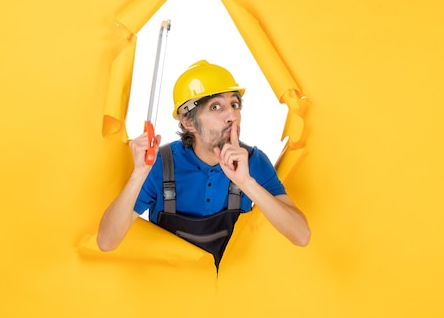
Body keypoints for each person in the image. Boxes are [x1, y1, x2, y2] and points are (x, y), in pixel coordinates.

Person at [97, 60, 310, 269]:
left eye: (235, 104)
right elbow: (107, 242)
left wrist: (246, 182)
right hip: (168, 291)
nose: (231, 116)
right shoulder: (161, 164)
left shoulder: (252, 161)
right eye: (216, 106)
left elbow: (301, 235)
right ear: (189, 123)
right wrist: (138, 174)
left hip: (227, 293)